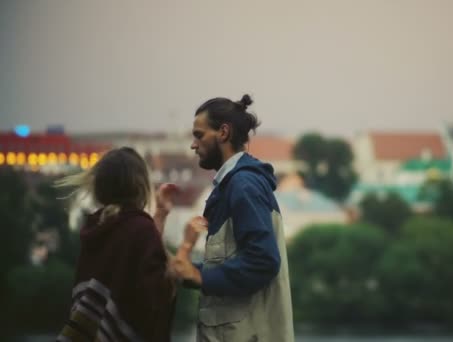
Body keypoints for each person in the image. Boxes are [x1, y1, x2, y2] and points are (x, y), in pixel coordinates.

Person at [168, 94, 294, 341]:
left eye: (199, 135)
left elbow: (263, 261)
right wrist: (185, 271)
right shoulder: (232, 185)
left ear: (223, 132)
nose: (193, 145)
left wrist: (199, 276)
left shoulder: (242, 184)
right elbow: (229, 264)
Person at [55, 147, 175, 342]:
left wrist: (160, 216)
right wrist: (185, 250)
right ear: (140, 185)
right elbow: (156, 296)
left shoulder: (96, 226)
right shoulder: (140, 228)